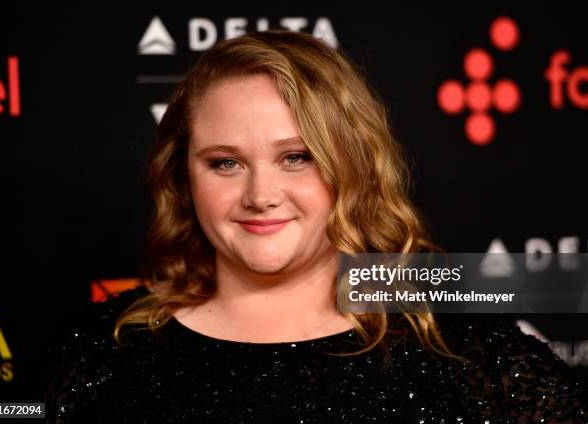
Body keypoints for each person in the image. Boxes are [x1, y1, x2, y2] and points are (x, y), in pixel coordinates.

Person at [37, 30, 588, 423]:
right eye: (225, 162)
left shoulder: (474, 354)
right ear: (183, 176)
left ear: (352, 164)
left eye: (297, 157)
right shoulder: (93, 349)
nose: (260, 196)